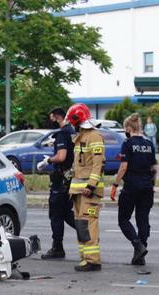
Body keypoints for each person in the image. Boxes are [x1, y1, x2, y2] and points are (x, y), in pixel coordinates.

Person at [110, 113, 157, 265]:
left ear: (129, 128)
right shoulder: (149, 144)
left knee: (123, 219)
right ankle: (140, 255)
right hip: (147, 187)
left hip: (131, 187)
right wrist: (152, 185)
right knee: (143, 220)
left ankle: (137, 245)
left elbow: (123, 167)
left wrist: (115, 185)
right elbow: (154, 168)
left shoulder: (128, 143)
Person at [65, 103, 105, 272]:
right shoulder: (81, 137)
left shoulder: (94, 136)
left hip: (89, 190)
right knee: (81, 224)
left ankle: (92, 260)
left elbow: (98, 164)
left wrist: (91, 185)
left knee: (88, 224)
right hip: (78, 189)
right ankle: (85, 258)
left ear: (77, 120)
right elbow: (80, 165)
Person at [36, 107, 76, 259]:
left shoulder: (62, 133)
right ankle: (87, 234)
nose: (50, 120)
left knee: (56, 214)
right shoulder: (73, 131)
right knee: (66, 213)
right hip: (71, 178)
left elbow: (61, 156)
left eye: (51, 117)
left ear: (57, 117)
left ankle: (57, 248)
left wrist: (48, 160)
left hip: (61, 180)